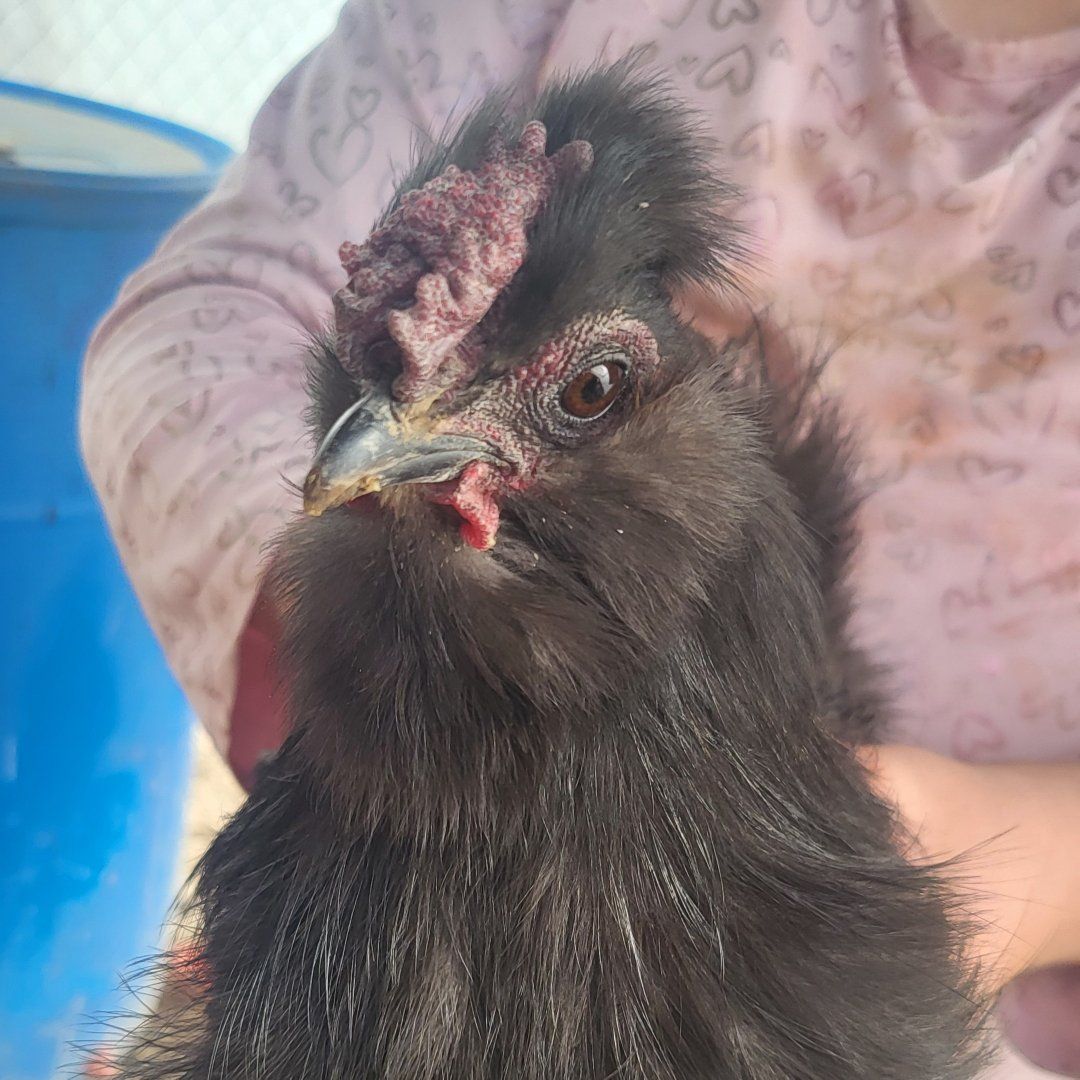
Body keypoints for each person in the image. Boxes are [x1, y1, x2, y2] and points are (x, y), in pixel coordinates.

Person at [79, 0, 1080, 1075]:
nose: (390, 434)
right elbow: (200, 317)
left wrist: (1026, 865)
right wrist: (379, 679)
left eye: (590, 390)